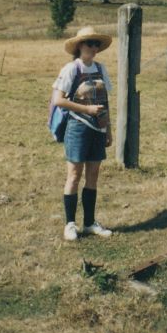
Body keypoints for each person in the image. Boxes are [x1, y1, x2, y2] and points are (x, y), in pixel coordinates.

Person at [52, 26, 115, 241]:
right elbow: (58, 100)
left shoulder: (100, 68)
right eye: (90, 43)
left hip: (98, 129)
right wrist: (86, 109)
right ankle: (70, 224)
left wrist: (108, 129)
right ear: (79, 46)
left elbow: (105, 101)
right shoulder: (71, 69)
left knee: (93, 175)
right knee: (74, 175)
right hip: (77, 128)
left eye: (96, 44)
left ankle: (89, 223)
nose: (94, 48)